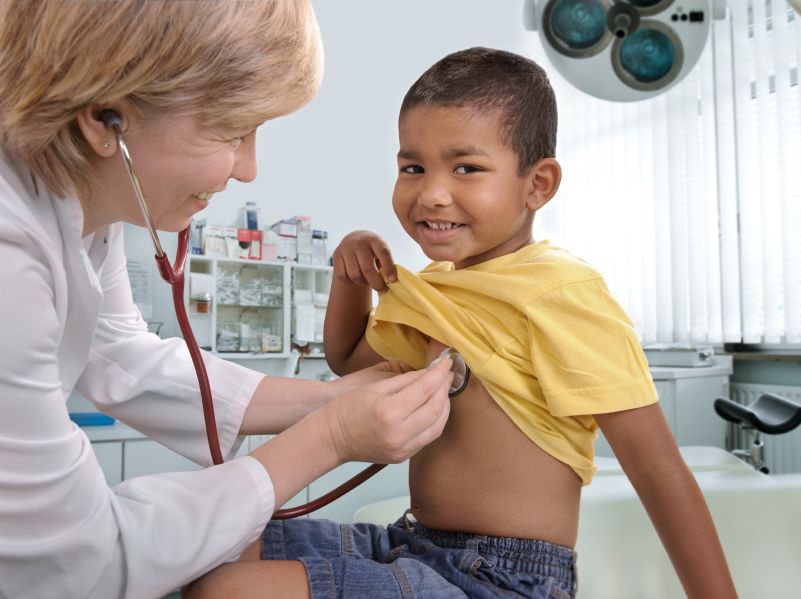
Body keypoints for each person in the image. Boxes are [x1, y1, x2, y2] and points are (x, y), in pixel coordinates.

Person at [184, 48, 738, 598]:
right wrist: (349, 274)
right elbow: (349, 359)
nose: (432, 192)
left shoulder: (562, 295)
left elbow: (659, 473)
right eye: (413, 168)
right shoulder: (436, 288)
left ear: (537, 185)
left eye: (466, 168)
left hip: (503, 579)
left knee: (229, 590)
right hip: (416, 543)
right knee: (210, 548)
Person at [0, 2, 456, 598]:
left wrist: (328, 399)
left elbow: (121, 357)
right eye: (234, 130)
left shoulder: (84, 205)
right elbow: (78, 562)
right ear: (104, 118)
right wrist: (331, 436)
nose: (249, 169)